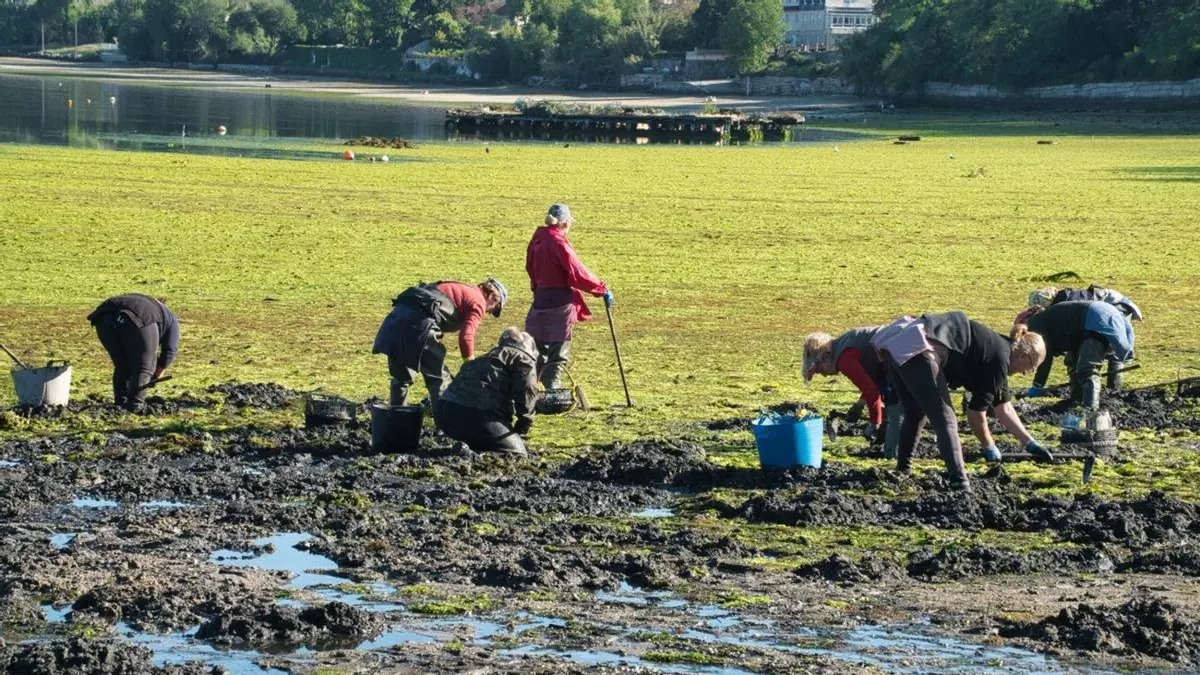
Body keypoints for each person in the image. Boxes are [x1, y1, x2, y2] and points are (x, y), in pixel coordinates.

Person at [871, 311, 1052, 491]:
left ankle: (903, 470)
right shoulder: (999, 359)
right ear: (1023, 355)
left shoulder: (999, 350)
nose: (1026, 373)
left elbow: (1004, 408)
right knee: (946, 419)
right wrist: (988, 445)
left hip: (899, 346)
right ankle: (959, 482)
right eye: (1031, 367)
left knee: (916, 413)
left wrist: (1030, 443)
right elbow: (975, 415)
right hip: (921, 349)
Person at [372, 278, 508, 406]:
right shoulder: (479, 301)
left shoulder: (461, 288)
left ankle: (396, 417)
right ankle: (445, 421)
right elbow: (466, 336)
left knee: (401, 377)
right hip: (421, 325)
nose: (489, 312)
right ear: (492, 296)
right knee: (439, 379)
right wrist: (470, 365)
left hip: (398, 317)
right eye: (494, 309)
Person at [525, 203, 612, 389]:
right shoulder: (559, 243)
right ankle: (552, 391)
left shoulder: (537, 240)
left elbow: (530, 268)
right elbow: (578, 273)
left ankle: (534, 391)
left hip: (540, 300)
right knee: (557, 353)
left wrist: (537, 290)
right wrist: (601, 289)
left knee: (538, 352)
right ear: (565, 223)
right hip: (560, 303)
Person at [434, 327, 539, 456]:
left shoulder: (486, 357)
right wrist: (524, 423)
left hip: (445, 412)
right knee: (517, 453)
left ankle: (469, 448)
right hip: (477, 415)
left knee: (480, 437)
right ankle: (471, 455)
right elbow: (527, 391)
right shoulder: (524, 360)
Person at [1023, 285, 1143, 392]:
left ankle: (1114, 390)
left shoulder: (1067, 304)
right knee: (1074, 358)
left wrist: (1127, 351)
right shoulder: (1061, 305)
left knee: (1112, 354)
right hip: (1094, 319)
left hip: (1114, 312)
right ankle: (1078, 389)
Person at [803, 327, 901, 457]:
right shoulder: (843, 344)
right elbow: (873, 381)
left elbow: (872, 392)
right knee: (891, 403)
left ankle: (894, 457)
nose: (825, 375)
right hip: (892, 359)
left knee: (896, 412)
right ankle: (886, 445)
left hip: (901, 356)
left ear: (824, 357)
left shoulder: (844, 359)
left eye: (820, 370)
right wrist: (859, 405)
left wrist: (874, 423)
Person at [1019, 300, 1135, 409]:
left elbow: (1045, 356)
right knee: (1072, 362)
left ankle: (1091, 409)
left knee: (1088, 369)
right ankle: (1076, 400)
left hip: (1094, 322)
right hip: (1097, 319)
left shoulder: (1035, 323)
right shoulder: (1050, 318)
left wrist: (1038, 385)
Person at [87, 294, 180, 411]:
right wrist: (156, 375)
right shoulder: (170, 318)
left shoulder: (146, 303)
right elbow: (170, 351)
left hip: (103, 317)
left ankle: (120, 404)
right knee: (144, 367)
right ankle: (135, 406)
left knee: (122, 365)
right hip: (138, 317)